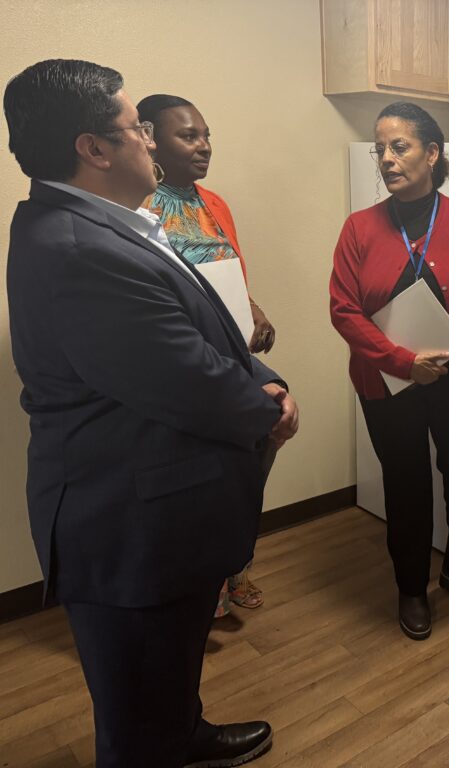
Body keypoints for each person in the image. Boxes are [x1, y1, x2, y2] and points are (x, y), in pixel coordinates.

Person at [4, 59, 299, 767]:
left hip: (157, 504)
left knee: (166, 674)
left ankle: (187, 736)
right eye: (137, 125)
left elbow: (205, 328)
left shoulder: (108, 222)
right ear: (94, 149)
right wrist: (267, 406)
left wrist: (264, 377)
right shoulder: (80, 247)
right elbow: (185, 375)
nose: (149, 138)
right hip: (127, 519)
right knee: (135, 714)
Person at [330, 101, 449, 641]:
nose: (386, 159)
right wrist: (405, 364)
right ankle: (412, 588)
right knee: (406, 488)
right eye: (378, 149)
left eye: (399, 146)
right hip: (388, 387)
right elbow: (344, 311)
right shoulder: (359, 228)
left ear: (432, 153)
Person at [138, 93, 274, 615]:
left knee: (262, 439)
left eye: (206, 136)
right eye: (189, 136)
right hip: (179, 361)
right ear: (149, 137)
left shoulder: (215, 203)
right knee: (198, 471)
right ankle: (201, 581)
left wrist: (254, 308)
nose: (204, 147)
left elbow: (229, 274)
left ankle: (234, 563)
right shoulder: (137, 207)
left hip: (229, 349)